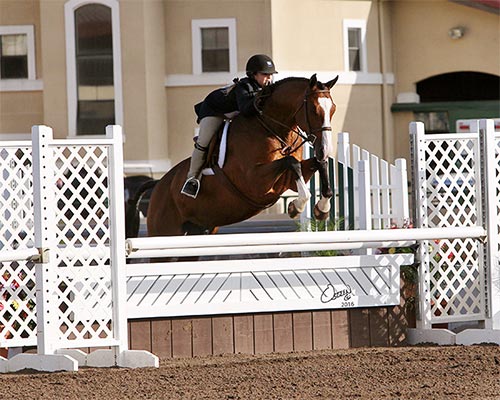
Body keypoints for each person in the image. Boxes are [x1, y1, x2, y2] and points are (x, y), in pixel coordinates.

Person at [181, 54, 278, 198]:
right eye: (265, 75)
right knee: (204, 142)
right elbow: (246, 109)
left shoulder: (265, 88)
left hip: (232, 113)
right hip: (214, 110)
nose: (269, 79)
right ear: (253, 74)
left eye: (270, 75)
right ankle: (192, 179)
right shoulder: (244, 87)